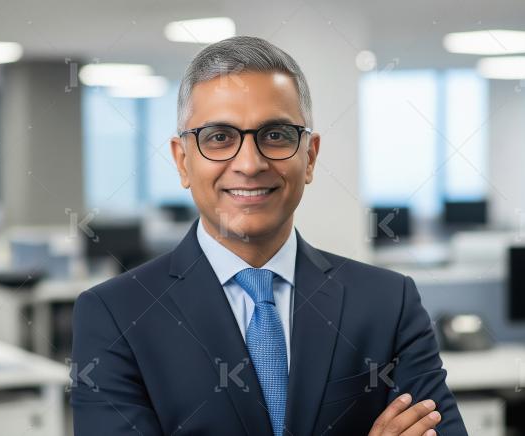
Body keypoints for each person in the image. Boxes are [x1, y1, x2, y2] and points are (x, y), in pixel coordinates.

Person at [71, 35, 468, 436]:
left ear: (309, 157)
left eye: (276, 135)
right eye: (219, 137)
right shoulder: (115, 315)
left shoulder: (388, 304)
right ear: (182, 161)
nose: (249, 163)